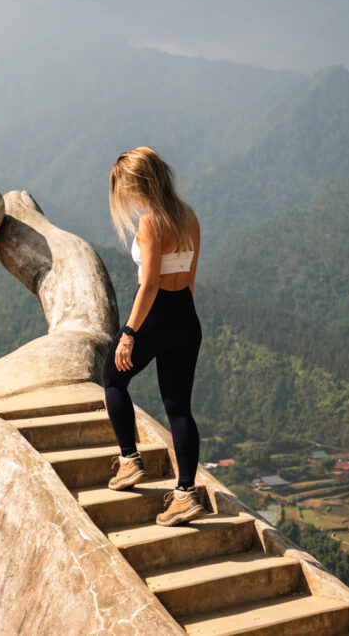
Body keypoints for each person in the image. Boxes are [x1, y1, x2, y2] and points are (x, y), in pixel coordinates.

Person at [102, 146, 205, 527]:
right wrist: (178, 321)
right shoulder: (188, 216)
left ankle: (129, 461)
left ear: (138, 185)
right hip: (186, 315)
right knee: (179, 407)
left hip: (155, 312)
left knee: (112, 378)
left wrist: (130, 332)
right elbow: (190, 279)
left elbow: (148, 284)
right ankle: (185, 494)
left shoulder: (150, 223)